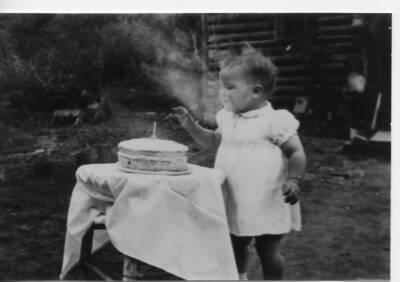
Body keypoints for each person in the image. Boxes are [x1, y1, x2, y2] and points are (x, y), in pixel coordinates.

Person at [171, 47, 307, 280]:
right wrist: (191, 127)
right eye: (222, 86)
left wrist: (294, 179)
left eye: (230, 87)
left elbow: (296, 152)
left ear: (255, 92)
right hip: (234, 196)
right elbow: (215, 142)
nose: (222, 93)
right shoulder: (227, 116)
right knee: (234, 243)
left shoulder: (274, 120)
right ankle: (239, 277)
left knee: (268, 249)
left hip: (267, 197)